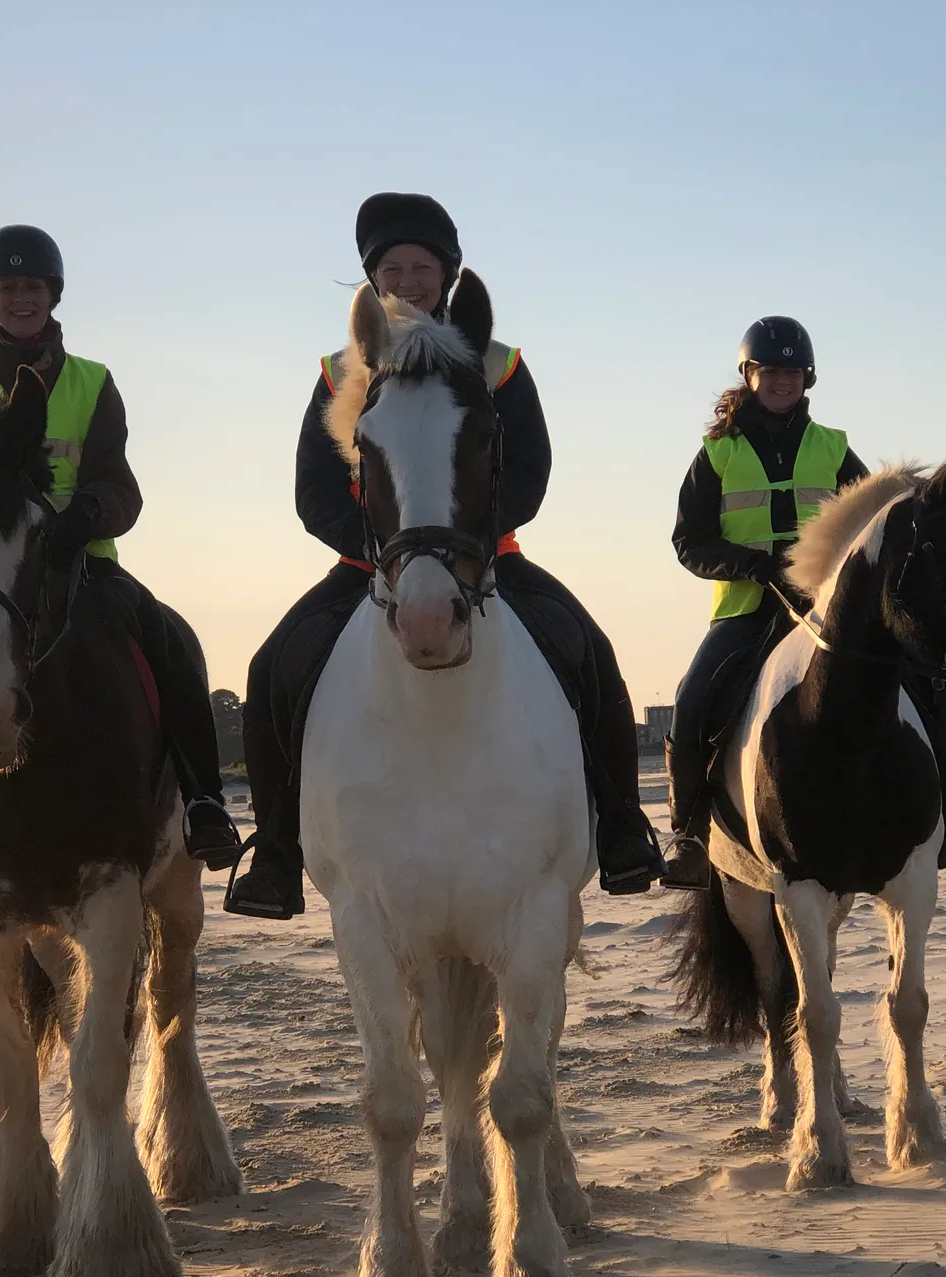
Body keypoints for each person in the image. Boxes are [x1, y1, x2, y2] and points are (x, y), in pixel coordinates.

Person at [223, 192, 664, 919]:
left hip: (485, 559)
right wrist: (385, 552)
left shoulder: (498, 364)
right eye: (390, 267)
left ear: (448, 273)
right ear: (372, 280)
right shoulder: (341, 371)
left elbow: (527, 472)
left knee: (589, 647)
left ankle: (621, 826)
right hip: (370, 566)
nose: (407, 280)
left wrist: (464, 548)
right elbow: (314, 490)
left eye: (421, 267)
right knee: (274, 663)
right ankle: (274, 851)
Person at [0, 224, 240, 902]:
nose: (19, 298)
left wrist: (82, 521)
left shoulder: (93, 382)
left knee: (167, 640)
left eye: (31, 287)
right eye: (5, 287)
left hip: (81, 560)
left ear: (52, 295)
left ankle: (205, 802)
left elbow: (118, 483)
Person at [658, 316, 946, 891]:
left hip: (829, 609)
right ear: (749, 376)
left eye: (791, 372)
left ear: (807, 378)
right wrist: (754, 564)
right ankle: (689, 837)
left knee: (934, 685)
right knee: (693, 699)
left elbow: (880, 525)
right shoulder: (716, 455)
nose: (781, 382)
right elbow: (687, 542)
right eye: (770, 372)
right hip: (749, 609)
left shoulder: (834, 448)